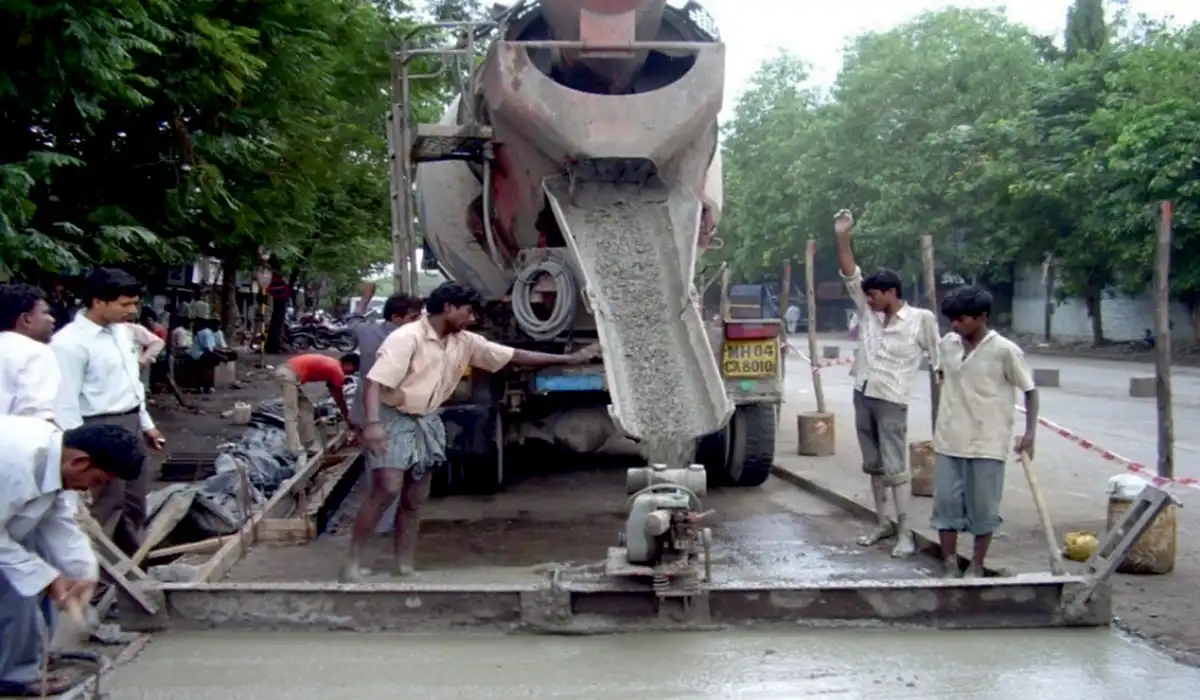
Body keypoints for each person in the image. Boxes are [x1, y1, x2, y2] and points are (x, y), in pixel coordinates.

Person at [341, 281, 602, 582]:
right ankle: (352, 561)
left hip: (426, 418)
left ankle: (403, 564)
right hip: (392, 415)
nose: (473, 318)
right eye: (469, 311)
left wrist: (570, 359)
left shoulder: (464, 341)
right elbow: (375, 382)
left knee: (415, 497)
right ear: (449, 307)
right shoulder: (407, 338)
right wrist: (372, 424)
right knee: (387, 487)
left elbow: (513, 355)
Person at [0, 416, 144, 696]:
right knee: (16, 588)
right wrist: (44, 576)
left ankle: (28, 656)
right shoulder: (14, 465)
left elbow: (58, 516)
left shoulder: (56, 457)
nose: (89, 489)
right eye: (96, 480)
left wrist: (81, 570)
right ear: (79, 462)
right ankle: (13, 675)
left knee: (39, 572)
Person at [834, 209, 939, 557]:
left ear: (890, 293)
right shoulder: (869, 315)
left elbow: (940, 359)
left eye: (874, 296)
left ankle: (905, 532)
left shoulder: (920, 320)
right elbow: (851, 273)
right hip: (862, 393)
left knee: (896, 469)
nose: (868, 301)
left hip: (892, 399)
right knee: (874, 465)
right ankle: (882, 523)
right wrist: (843, 237)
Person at [50, 267, 165, 558]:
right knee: (105, 505)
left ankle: (132, 565)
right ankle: (96, 576)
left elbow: (131, 384)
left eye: (134, 303)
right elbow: (64, 402)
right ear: (98, 302)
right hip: (97, 426)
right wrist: (81, 451)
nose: (133, 310)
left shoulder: (122, 334)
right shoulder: (70, 343)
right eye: (125, 304)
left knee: (135, 502)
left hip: (130, 420)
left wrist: (146, 423)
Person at [931, 286, 1037, 578]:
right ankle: (950, 562)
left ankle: (976, 565)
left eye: (961, 319)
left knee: (984, 510)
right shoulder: (947, 345)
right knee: (946, 507)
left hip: (987, 442)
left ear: (981, 317)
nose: (954, 325)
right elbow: (943, 380)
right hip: (949, 439)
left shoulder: (1004, 350)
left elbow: (1030, 390)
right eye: (951, 319)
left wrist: (1030, 433)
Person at [345, 284, 424, 429]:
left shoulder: (367, 331)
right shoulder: (413, 339)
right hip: (395, 415)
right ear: (395, 317)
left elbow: (353, 321)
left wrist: (365, 298)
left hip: (364, 412)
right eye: (413, 317)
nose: (418, 321)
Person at [275, 353, 359, 457]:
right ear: (348, 364)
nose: (351, 373)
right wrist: (348, 418)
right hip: (288, 375)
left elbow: (333, 390)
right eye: (353, 370)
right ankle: (295, 449)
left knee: (307, 408)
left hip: (288, 373)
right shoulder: (337, 370)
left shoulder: (333, 365)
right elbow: (339, 398)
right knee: (292, 413)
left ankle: (308, 444)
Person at [0, 284, 60, 421]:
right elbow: (36, 413)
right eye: (45, 313)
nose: (52, 319)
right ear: (26, 319)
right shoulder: (36, 352)